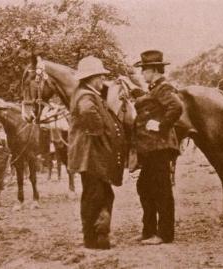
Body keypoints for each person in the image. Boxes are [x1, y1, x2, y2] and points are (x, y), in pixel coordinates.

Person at [68, 56, 127, 249]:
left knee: (99, 194)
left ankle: (97, 237)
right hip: (91, 156)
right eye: (100, 77)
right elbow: (87, 112)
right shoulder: (86, 95)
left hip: (92, 156)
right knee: (95, 196)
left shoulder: (87, 92)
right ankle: (94, 240)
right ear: (92, 78)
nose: (103, 80)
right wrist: (101, 130)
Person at [132, 50, 183, 245]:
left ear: (153, 70)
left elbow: (176, 107)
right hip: (151, 148)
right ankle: (149, 231)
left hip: (159, 147)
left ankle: (165, 234)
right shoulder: (154, 89)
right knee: (144, 186)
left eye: (144, 70)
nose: (142, 74)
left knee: (161, 189)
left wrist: (161, 125)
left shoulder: (164, 88)